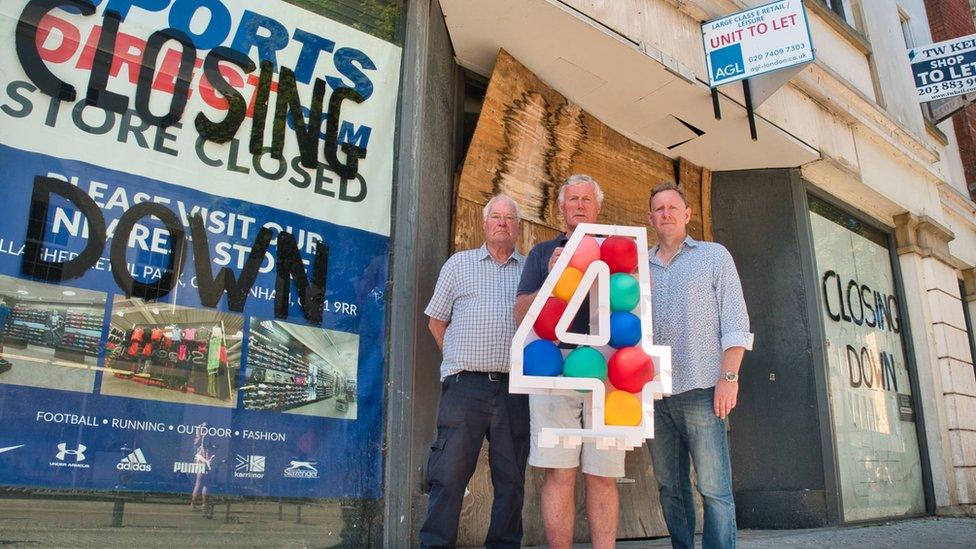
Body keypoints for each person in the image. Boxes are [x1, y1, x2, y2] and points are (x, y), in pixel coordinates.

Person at [514, 174, 622, 549]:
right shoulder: (542, 254)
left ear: (598, 207)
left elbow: (640, 306)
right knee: (560, 472)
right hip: (552, 363)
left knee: (603, 474)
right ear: (561, 209)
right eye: (572, 199)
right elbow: (520, 314)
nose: (579, 205)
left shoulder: (618, 252)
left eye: (585, 199)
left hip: (607, 369)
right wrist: (552, 276)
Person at [645, 182, 753, 549]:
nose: (667, 214)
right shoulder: (637, 268)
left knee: (713, 489)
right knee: (670, 488)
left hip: (704, 389)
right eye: (659, 209)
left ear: (687, 214)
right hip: (655, 395)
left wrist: (729, 377)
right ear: (650, 219)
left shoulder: (714, 257)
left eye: (673, 208)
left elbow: (736, 323)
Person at [420, 194, 529, 548]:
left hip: (515, 389)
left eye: (509, 218)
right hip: (465, 387)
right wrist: (458, 362)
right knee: (448, 476)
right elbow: (437, 323)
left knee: (511, 481)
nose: (502, 222)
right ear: (484, 224)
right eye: (495, 216)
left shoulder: (530, 271)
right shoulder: (458, 264)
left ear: (518, 227)